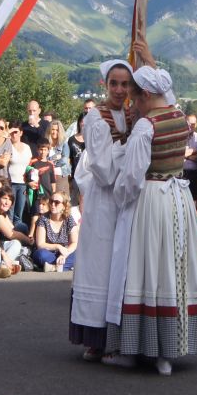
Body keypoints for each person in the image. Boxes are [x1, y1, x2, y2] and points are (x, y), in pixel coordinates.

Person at [103, 65, 197, 375]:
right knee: (173, 269)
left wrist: (118, 201)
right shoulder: (179, 117)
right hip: (178, 198)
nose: (132, 101)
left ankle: (142, 347)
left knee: (144, 269)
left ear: (148, 94)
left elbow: (131, 177)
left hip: (152, 199)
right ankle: (169, 348)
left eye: (136, 96)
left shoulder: (145, 126)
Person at [71, 60, 134, 360]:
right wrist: (127, 151)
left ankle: (121, 335)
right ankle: (95, 337)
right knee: (100, 264)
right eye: (114, 84)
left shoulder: (134, 116)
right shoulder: (96, 119)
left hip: (127, 200)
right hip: (104, 200)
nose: (120, 90)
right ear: (105, 85)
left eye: (125, 84)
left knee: (122, 266)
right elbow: (103, 170)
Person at [33, 191, 79, 271]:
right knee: (40, 254)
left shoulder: (69, 219)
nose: (52, 205)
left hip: (63, 253)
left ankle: (53, 267)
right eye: (51, 201)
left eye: (57, 202)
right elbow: (40, 244)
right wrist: (58, 246)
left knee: (79, 254)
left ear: (64, 206)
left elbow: (74, 242)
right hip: (48, 252)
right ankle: (62, 267)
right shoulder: (43, 219)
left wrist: (64, 254)